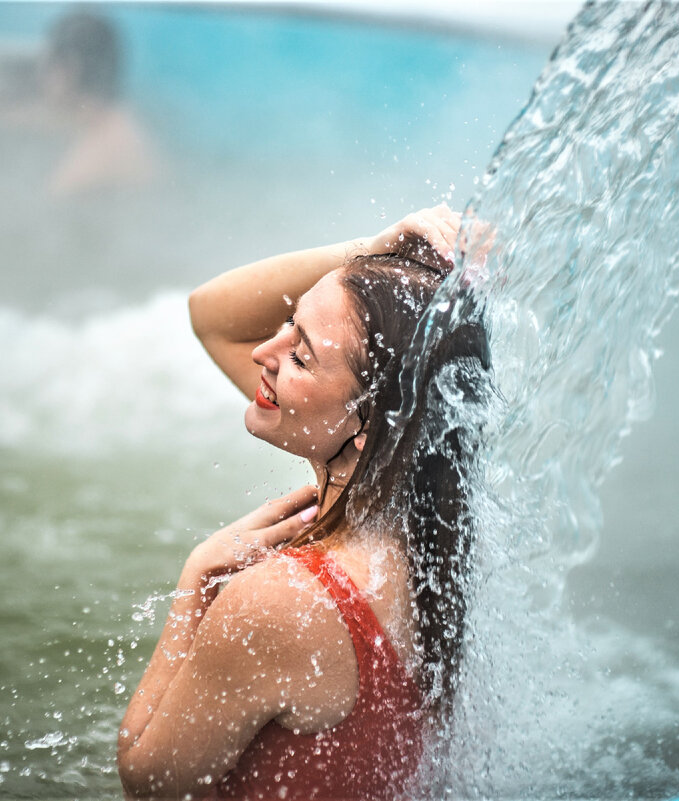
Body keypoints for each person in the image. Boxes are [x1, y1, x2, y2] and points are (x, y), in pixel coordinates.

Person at [117, 205, 490, 799]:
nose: (265, 349)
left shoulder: (282, 603)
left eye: (300, 356)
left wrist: (198, 578)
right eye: (289, 321)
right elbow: (212, 317)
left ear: (370, 426)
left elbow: (150, 778)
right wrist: (371, 251)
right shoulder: (426, 525)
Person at [41, 10, 156, 196]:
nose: (42, 78)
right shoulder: (122, 127)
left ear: (70, 69)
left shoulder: (82, 174)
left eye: (48, 65)